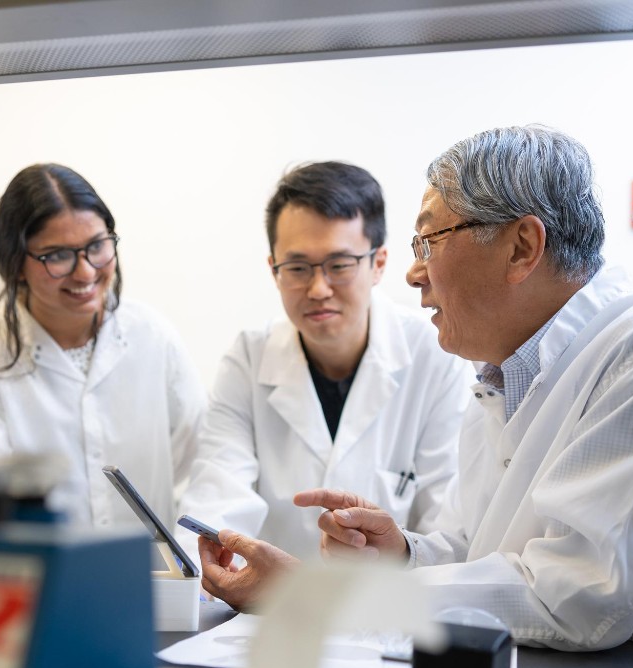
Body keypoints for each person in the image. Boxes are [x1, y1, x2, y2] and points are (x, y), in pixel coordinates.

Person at [199, 125, 633, 655]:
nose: (413, 273)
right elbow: (476, 552)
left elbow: (578, 595)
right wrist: (403, 552)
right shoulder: (502, 374)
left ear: (522, 248)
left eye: (429, 241)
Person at [177, 162, 469, 560]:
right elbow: (217, 492)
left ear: (378, 263)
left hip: (397, 607)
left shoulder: (436, 355)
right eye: (297, 268)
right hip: (269, 608)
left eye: (339, 266)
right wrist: (202, 568)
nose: (318, 289)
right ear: (274, 270)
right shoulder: (248, 358)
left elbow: (451, 523)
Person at [0, 164, 205, 530]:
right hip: (33, 578)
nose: (85, 272)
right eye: (57, 255)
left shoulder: (153, 336)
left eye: (97, 246)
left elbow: (201, 459)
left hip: (150, 578)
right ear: (15, 264)